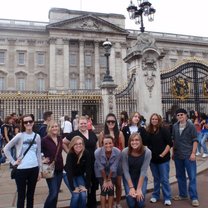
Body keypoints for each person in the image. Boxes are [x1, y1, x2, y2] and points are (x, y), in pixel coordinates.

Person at [4, 114, 42, 208]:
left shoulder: (37, 136)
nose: (28, 123)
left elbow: (38, 153)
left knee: (31, 196)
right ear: (23, 124)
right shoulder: (20, 136)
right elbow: (6, 149)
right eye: (26, 122)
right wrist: (13, 162)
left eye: (30, 121)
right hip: (21, 169)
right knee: (21, 196)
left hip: (34, 168)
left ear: (33, 122)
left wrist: (40, 170)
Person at [63, 116, 98, 208]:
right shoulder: (74, 134)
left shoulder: (92, 134)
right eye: (81, 123)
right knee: (77, 194)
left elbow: (96, 146)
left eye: (84, 123)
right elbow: (63, 142)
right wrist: (70, 152)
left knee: (88, 190)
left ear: (88, 124)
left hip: (89, 165)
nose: (83, 125)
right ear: (78, 124)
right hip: (75, 168)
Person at [172, 108, 199, 207]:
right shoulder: (175, 126)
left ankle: (194, 197)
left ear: (186, 115)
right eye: (178, 115)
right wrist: (173, 153)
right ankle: (183, 194)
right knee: (180, 176)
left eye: (181, 115)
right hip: (178, 155)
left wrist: (193, 153)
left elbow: (195, 140)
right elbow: (174, 140)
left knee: (192, 176)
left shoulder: (191, 126)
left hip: (188, 155)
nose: (180, 116)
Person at [145, 113, 172, 206]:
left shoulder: (164, 130)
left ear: (159, 120)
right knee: (156, 179)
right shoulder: (148, 130)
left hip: (163, 159)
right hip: (153, 160)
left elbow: (169, 143)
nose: (154, 120)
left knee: (164, 179)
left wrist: (162, 154)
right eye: (152, 119)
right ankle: (155, 195)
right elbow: (145, 143)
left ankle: (167, 197)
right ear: (150, 120)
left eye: (156, 119)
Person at [98, 113, 124, 208]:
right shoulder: (102, 134)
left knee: (118, 184)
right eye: (108, 121)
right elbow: (100, 149)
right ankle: (109, 203)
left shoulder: (120, 133)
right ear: (106, 122)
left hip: (118, 163)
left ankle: (117, 202)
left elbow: (123, 149)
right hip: (106, 163)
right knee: (108, 184)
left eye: (112, 121)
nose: (110, 123)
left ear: (115, 122)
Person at [122, 132, 151, 208]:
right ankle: (131, 197)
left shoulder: (147, 152)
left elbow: (143, 171)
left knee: (140, 203)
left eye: (137, 140)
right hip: (128, 177)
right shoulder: (125, 152)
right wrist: (131, 187)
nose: (134, 142)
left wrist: (138, 189)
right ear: (129, 142)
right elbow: (125, 170)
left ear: (140, 141)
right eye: (132, 140)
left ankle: (140, 200)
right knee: (131, 205)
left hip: (141, 177)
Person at [95, 135, 121, 208]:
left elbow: (114, 167)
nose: (108, 145)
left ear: (113, 143)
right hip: (100, 171)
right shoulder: (97, 152)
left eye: (110, 143)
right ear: (102, 144)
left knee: (111, 189)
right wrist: (105, 180)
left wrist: (109, 179)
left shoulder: (118, 152)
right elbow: (100, 167)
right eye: (106, 143)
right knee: (104, 189)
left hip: (111, 171)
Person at [41, 120, 63, 208]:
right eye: (52, 127)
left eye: (56, 126)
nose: (55, 128)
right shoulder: (45, 140)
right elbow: (38, 151)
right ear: (49, 128)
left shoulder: (59, 138)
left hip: (60, 168)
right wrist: (42, 159)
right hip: (50, 169)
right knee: (53, 193)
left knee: (56, 193)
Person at [64, 136, 91, 208]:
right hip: (68, 174)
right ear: (72, 145)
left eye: (80, 143)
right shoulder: (70, 154)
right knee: (76, 195)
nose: (78, 146)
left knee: (83, 194)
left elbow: (88, 170)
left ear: (83, 144)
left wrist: (87, 186)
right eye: (76, 144)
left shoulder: (86, 153)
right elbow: (69, 171)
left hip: (79, 175)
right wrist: (73, 187)